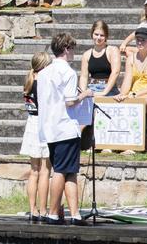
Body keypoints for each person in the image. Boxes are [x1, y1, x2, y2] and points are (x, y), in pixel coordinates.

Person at [36, 33, 95, 225]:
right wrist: (85, 94)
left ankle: (75, 213)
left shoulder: (44, 72)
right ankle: (53, 212)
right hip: (65, 127)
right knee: (61, 171)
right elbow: (70, 101)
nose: (74, 53)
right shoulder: (68, 72)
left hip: (50, 127)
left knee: (71, 171)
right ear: (66, 49)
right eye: (73, 49)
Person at [20, 51, 52, 223]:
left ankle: (32, 209)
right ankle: (43, 209)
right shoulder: (42, 82)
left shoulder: (29, 80)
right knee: (45, 171)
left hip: (31, 123)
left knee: (34, 171)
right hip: (43, 124)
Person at [78, 20, 121, 96]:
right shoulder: (86, 54)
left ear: (106, 37)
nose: (98, 37)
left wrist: (104, 92)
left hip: (109, 88)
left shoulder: (112, 50)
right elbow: (84, 76)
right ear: (92, 34)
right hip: (91, 88)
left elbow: (115, 72)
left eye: (102, 35)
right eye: (96, 34)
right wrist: (83, 92)